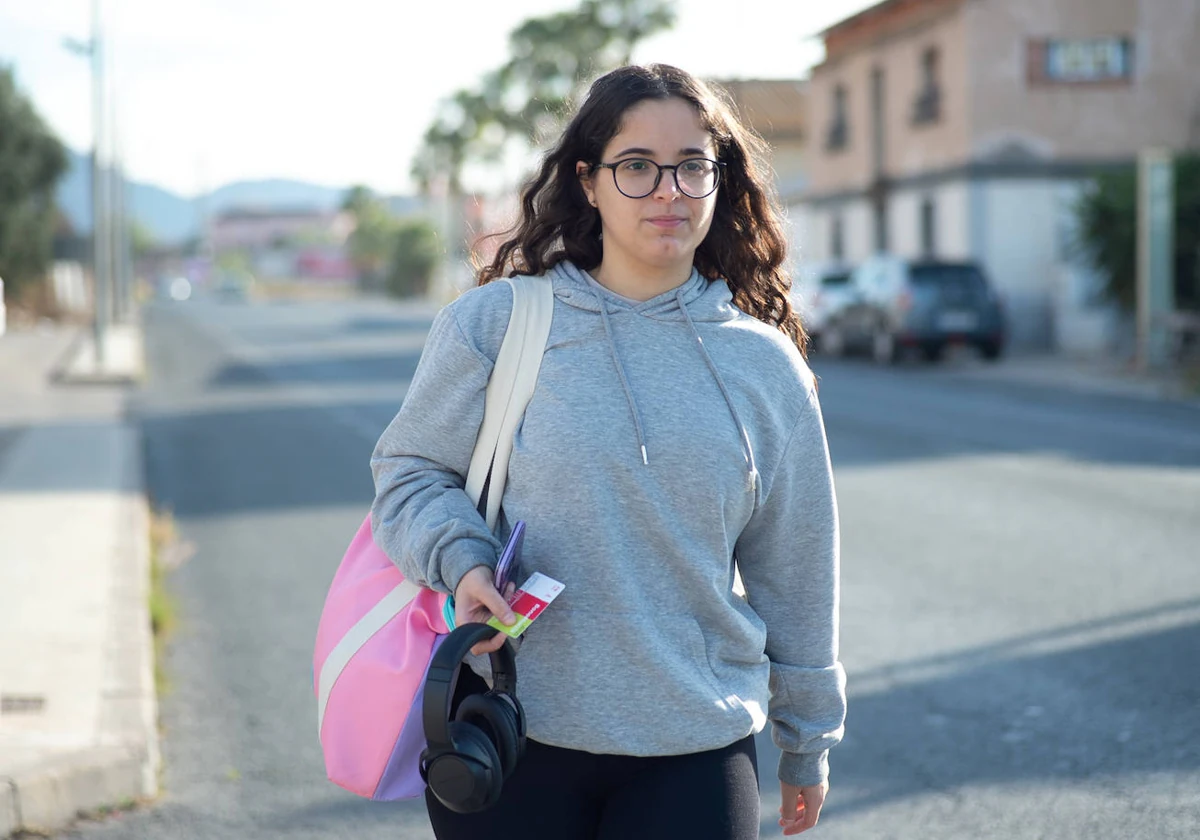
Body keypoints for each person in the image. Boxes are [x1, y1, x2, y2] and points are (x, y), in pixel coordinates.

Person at [371, 63, 845, 839]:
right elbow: (409, 471)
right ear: (588, 182)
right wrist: (464, 561)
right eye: (638, 168)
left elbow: (797, 566)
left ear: (720, 181)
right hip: (510, 728)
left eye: (694, 166)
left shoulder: (766, 366)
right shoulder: (497, 326)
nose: (670, 191)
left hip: (697, 738)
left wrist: (809, 741)